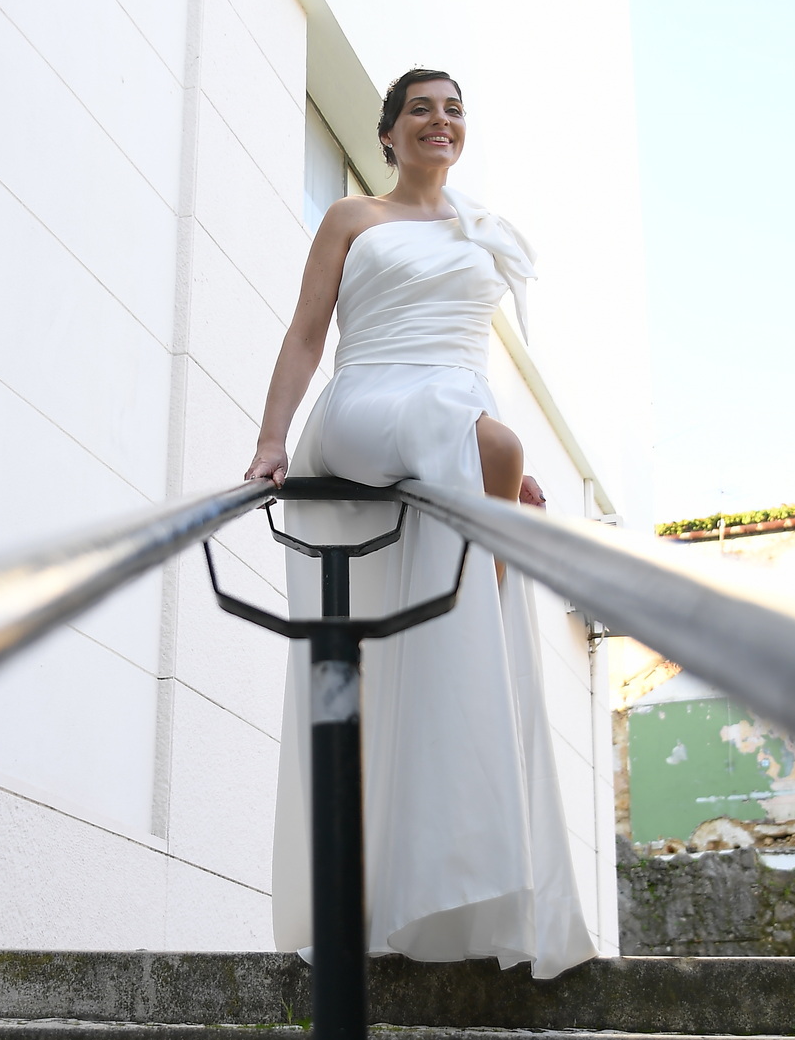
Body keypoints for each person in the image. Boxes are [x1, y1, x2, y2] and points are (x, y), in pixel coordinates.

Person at [245, 68, 598, 980]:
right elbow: (306, 334)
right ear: (388, 133)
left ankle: (434, 859)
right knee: (488, 443)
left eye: (453, 109)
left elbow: (470, 366)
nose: (439, 120)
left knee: (493, 444)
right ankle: (471, 596)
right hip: (364, 402)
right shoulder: (352, 217)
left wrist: (496, 466)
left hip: (449, 406)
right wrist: (271, 439)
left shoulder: (481, 229)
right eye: (420, 109)